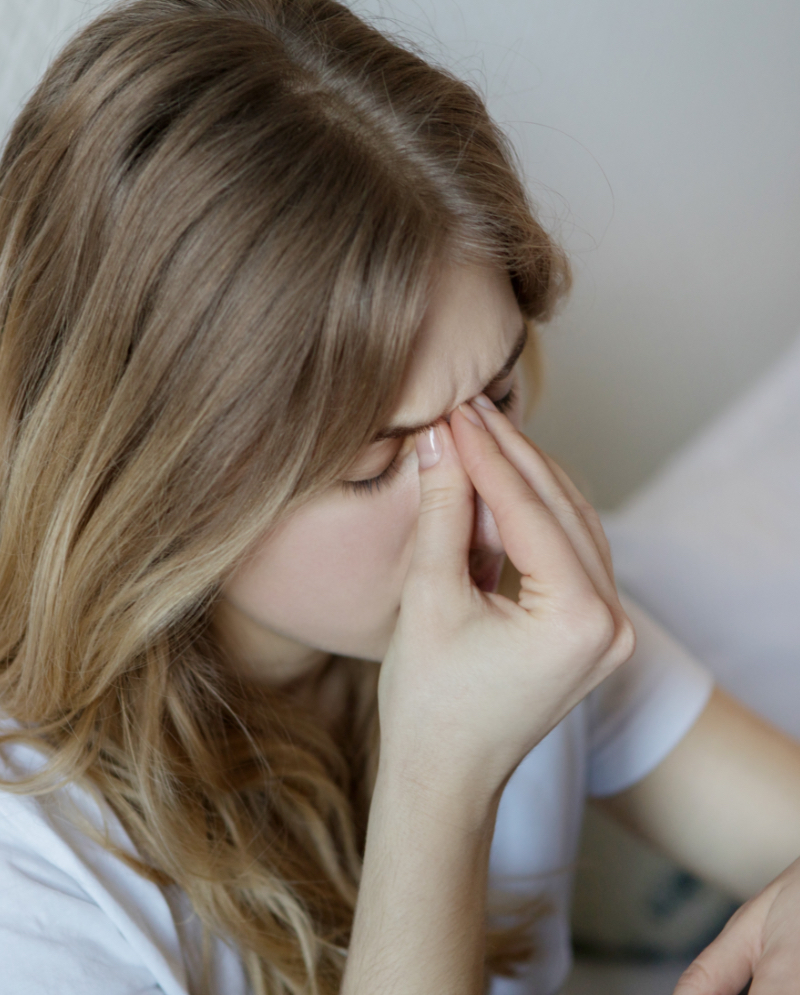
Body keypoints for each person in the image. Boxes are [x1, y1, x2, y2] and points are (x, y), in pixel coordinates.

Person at [0, 2, 797, 994]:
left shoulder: (524, 611)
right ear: (148, 479)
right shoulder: (36, 881)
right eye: (373, 465)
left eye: (499, 394)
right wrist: (440, 777)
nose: (483, 503)